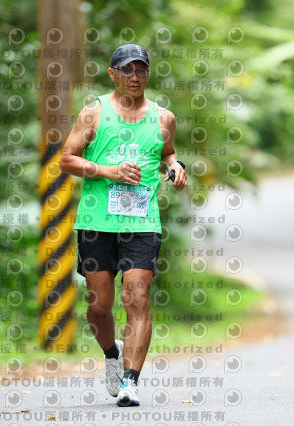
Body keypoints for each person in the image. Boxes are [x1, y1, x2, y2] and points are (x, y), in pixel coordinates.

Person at [59, 43, 187, 407]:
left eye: (141, 70)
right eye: (127, 70)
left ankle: (130, 381)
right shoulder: (93, 113)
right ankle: (111, 353)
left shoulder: (164, 118)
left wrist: (175, 167)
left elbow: (167, 153)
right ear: (113, 73)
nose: (135, 77)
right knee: (99, 306)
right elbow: (66, 159)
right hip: (97, 221)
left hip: (142, 222)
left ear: (148, 73)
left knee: (138, 298)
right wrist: (108, 171)